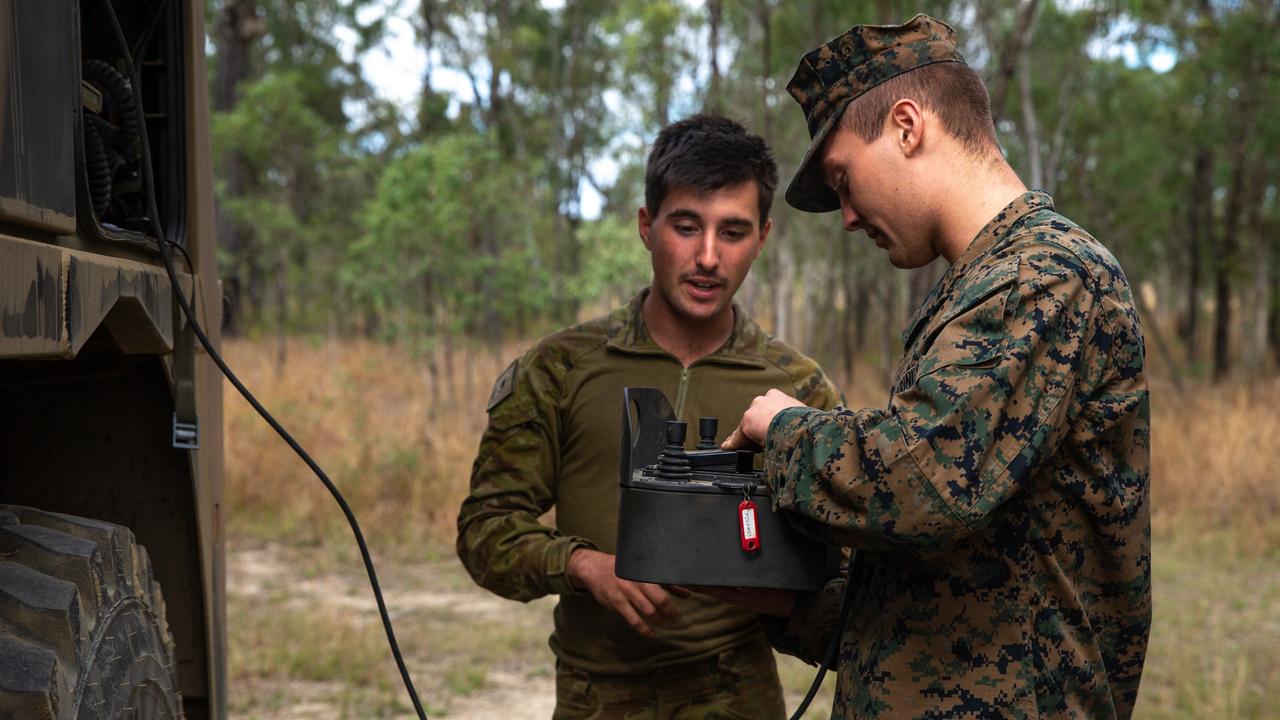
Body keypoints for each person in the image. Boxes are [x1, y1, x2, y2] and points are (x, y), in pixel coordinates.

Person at [717, 14, 1151, 719]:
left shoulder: (1043, 276)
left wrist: (785, 428)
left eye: (844, 179)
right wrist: (787, 600)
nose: (849, 217)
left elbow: (926, 481)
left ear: (908, 126)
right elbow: (957, 584)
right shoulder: (979, 285)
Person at [456, 114, 842, 719]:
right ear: (646, 226)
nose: (708, 257)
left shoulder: (796, 388)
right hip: (596, 695)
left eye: (733, 232)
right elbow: (485, 531)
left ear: (763, 238)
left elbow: (846, 562)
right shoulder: (561, 368)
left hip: (736, 695)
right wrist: (584, 566)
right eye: (686, 227)